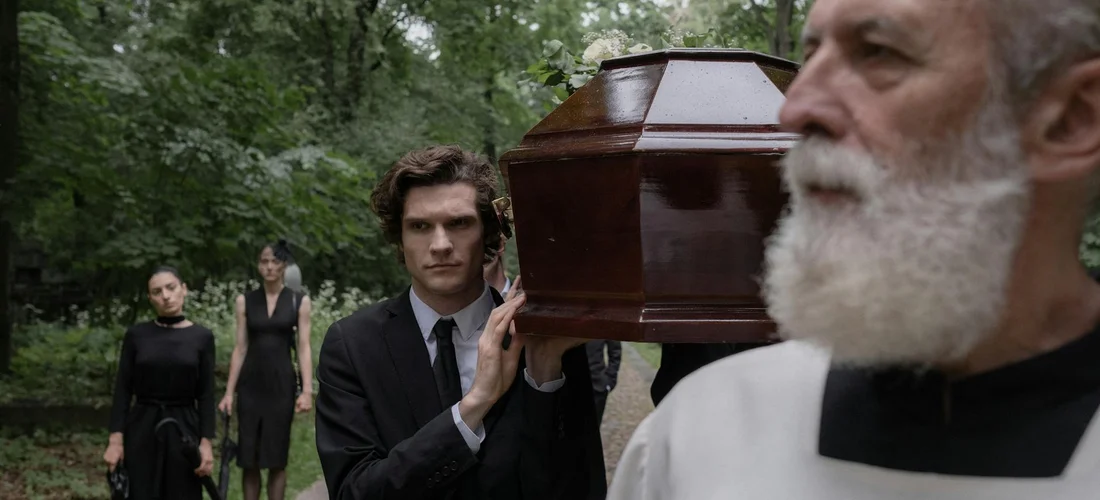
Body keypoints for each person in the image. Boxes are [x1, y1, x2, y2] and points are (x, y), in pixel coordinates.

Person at [608, 0, 1100, 498]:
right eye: (813, 52)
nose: (795, 110)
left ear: (1071, 119)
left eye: (879, 52)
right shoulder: (700, 432)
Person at [315, 144, 606, 499]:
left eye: (459, 223)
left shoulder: (542, 335)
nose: (440, 244)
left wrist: (541, 375)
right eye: (420, 226)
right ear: (400, 238)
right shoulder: (352, 345)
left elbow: (582, 487)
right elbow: (352, 492)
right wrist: (474, 404)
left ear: (490, 235)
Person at [104, 266, 216, 499]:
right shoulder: (137, 335)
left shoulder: (202, 337)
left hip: (184, 428)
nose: (165, 296)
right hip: (143, 426)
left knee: (182, 492)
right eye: (157, 291)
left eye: (171, 288)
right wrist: (115, 441)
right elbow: (123, 389)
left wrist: (206, 443)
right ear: (150, 298)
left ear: (184, 290)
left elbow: (206, 394)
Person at [219, 240, 314, 500]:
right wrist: (229, 393)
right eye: (264, 261)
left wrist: (306, 390)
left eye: (275, 261)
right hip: (250, 386)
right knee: (248, 457)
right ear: (258, 265)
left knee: (276, 457)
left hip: (281, 385)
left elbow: (304, 347)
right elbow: (240, 348)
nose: (269, 266)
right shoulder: (245, 301)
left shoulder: (299, 302)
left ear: (284, 265)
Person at [585, 339, 621, 425]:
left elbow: (615, 351)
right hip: (569, 386)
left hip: (597, 386)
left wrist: (610, 381)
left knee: (593, 428)